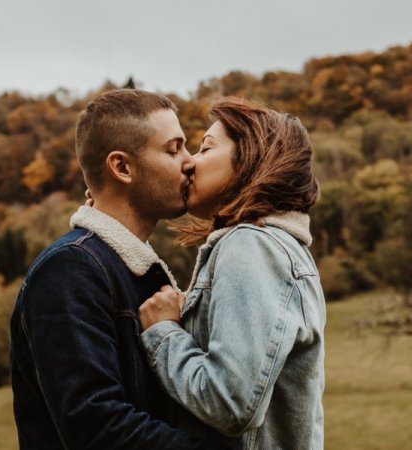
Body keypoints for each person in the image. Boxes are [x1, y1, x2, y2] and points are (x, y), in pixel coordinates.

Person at [9, 89, 225, 449]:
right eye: (173, 149)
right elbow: (97, 427)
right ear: (122, 168)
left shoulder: (128, 267)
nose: (189, 162)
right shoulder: (70, 270)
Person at [138, 98, 326, 449]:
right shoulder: (275, 249)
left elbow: (230, 403)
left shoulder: (251, 246)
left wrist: (164, 333)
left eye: (206, 147)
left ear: (252, 159)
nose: (190, 162)